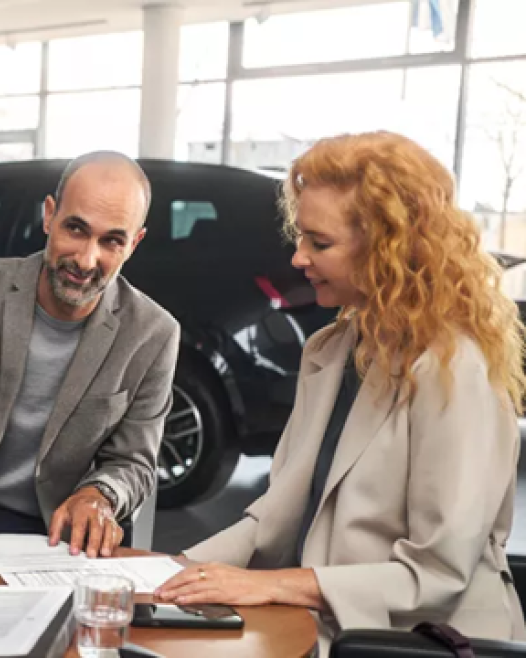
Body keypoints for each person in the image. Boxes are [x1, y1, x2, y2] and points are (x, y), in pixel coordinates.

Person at [155, 131, 526, 648]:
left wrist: (268, 584)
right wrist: (174, 571)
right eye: (301, 237)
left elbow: (436, 572)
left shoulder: (455, 368)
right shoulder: (330, 349)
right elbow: (276, 515)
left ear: (388, 247)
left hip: (420, 641)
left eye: (319, 243)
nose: (298, 259)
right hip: (327, 626)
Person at [0, 151, 180, 560]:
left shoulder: (154, 333)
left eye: (111, 241)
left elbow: (134, 461)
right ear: (49, 216)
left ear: (133, 244)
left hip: (53, 536)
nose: (86, 260)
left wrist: (99, 495)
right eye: (76, 229)